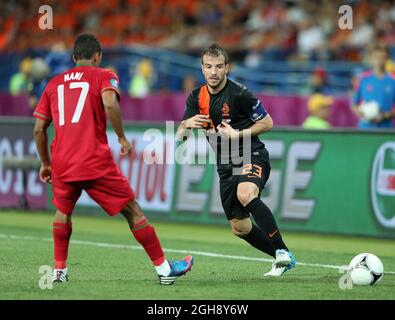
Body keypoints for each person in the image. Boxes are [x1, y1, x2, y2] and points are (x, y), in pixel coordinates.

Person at [33, 33, 193, 285]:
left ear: (74, 57)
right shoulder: (104, 75)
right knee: (133, 210)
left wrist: (45, 163)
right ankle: (164, 269)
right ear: (98, 56)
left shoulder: (53, 84)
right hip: (93, 160)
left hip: (62, 161)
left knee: (62, 212)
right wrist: (121, 137)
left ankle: (59, 271)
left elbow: (39, 129)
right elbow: (109, 103)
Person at [176, 44, 296, 277]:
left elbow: (268, 122)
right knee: (240, 228)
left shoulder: (240, 94)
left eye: (218, 66)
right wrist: (185, 125)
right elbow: (182, 137)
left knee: (246, 194)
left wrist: (237, 134)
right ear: (202, 69)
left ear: (227, 68)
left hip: (252, 153)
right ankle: (284, 256)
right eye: (208, 67)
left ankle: (281, 251)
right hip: (225, 165)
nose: (213, 72)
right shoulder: (195, 97)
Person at [352, 44, 395, 129]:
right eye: (377, 57)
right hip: (365, 128)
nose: (379, 60)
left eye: (382, 57)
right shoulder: (362, 79)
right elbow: (354, 104)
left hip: (386, 128)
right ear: (372, 58)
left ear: (387, 58)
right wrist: (363, 114)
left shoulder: (393, 80)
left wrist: (385, 116)